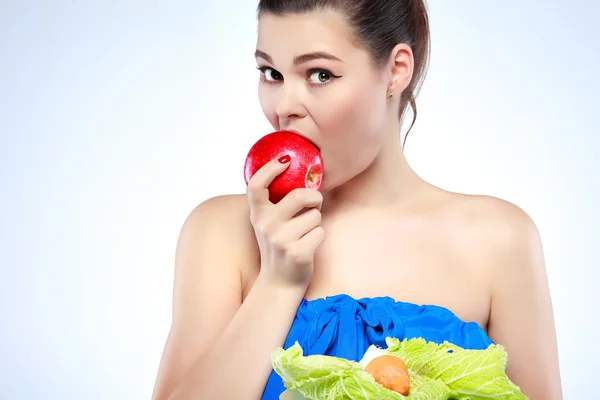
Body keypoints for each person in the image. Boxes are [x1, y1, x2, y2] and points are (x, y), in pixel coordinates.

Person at [151, 1, 563, 399]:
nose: (284, 107)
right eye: (271, 72)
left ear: (396, 71)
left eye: (320, 75)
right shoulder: (222, 232)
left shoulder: (499, 241)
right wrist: (277, 283)